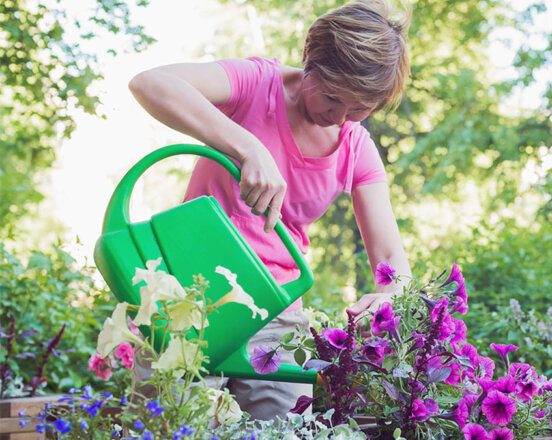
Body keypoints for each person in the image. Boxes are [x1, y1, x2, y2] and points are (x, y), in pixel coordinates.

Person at [127, 0, 412, 421]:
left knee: (281, 430)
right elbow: (149, 83)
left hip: (275, 317)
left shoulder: (356, 147)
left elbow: (394, 264)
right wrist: (247, 146)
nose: (340, 118)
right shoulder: (256, 83)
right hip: (188, 299)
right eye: (333, 98)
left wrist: (386, 297)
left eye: (359, 109)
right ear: (310, 61)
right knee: (166, 424)